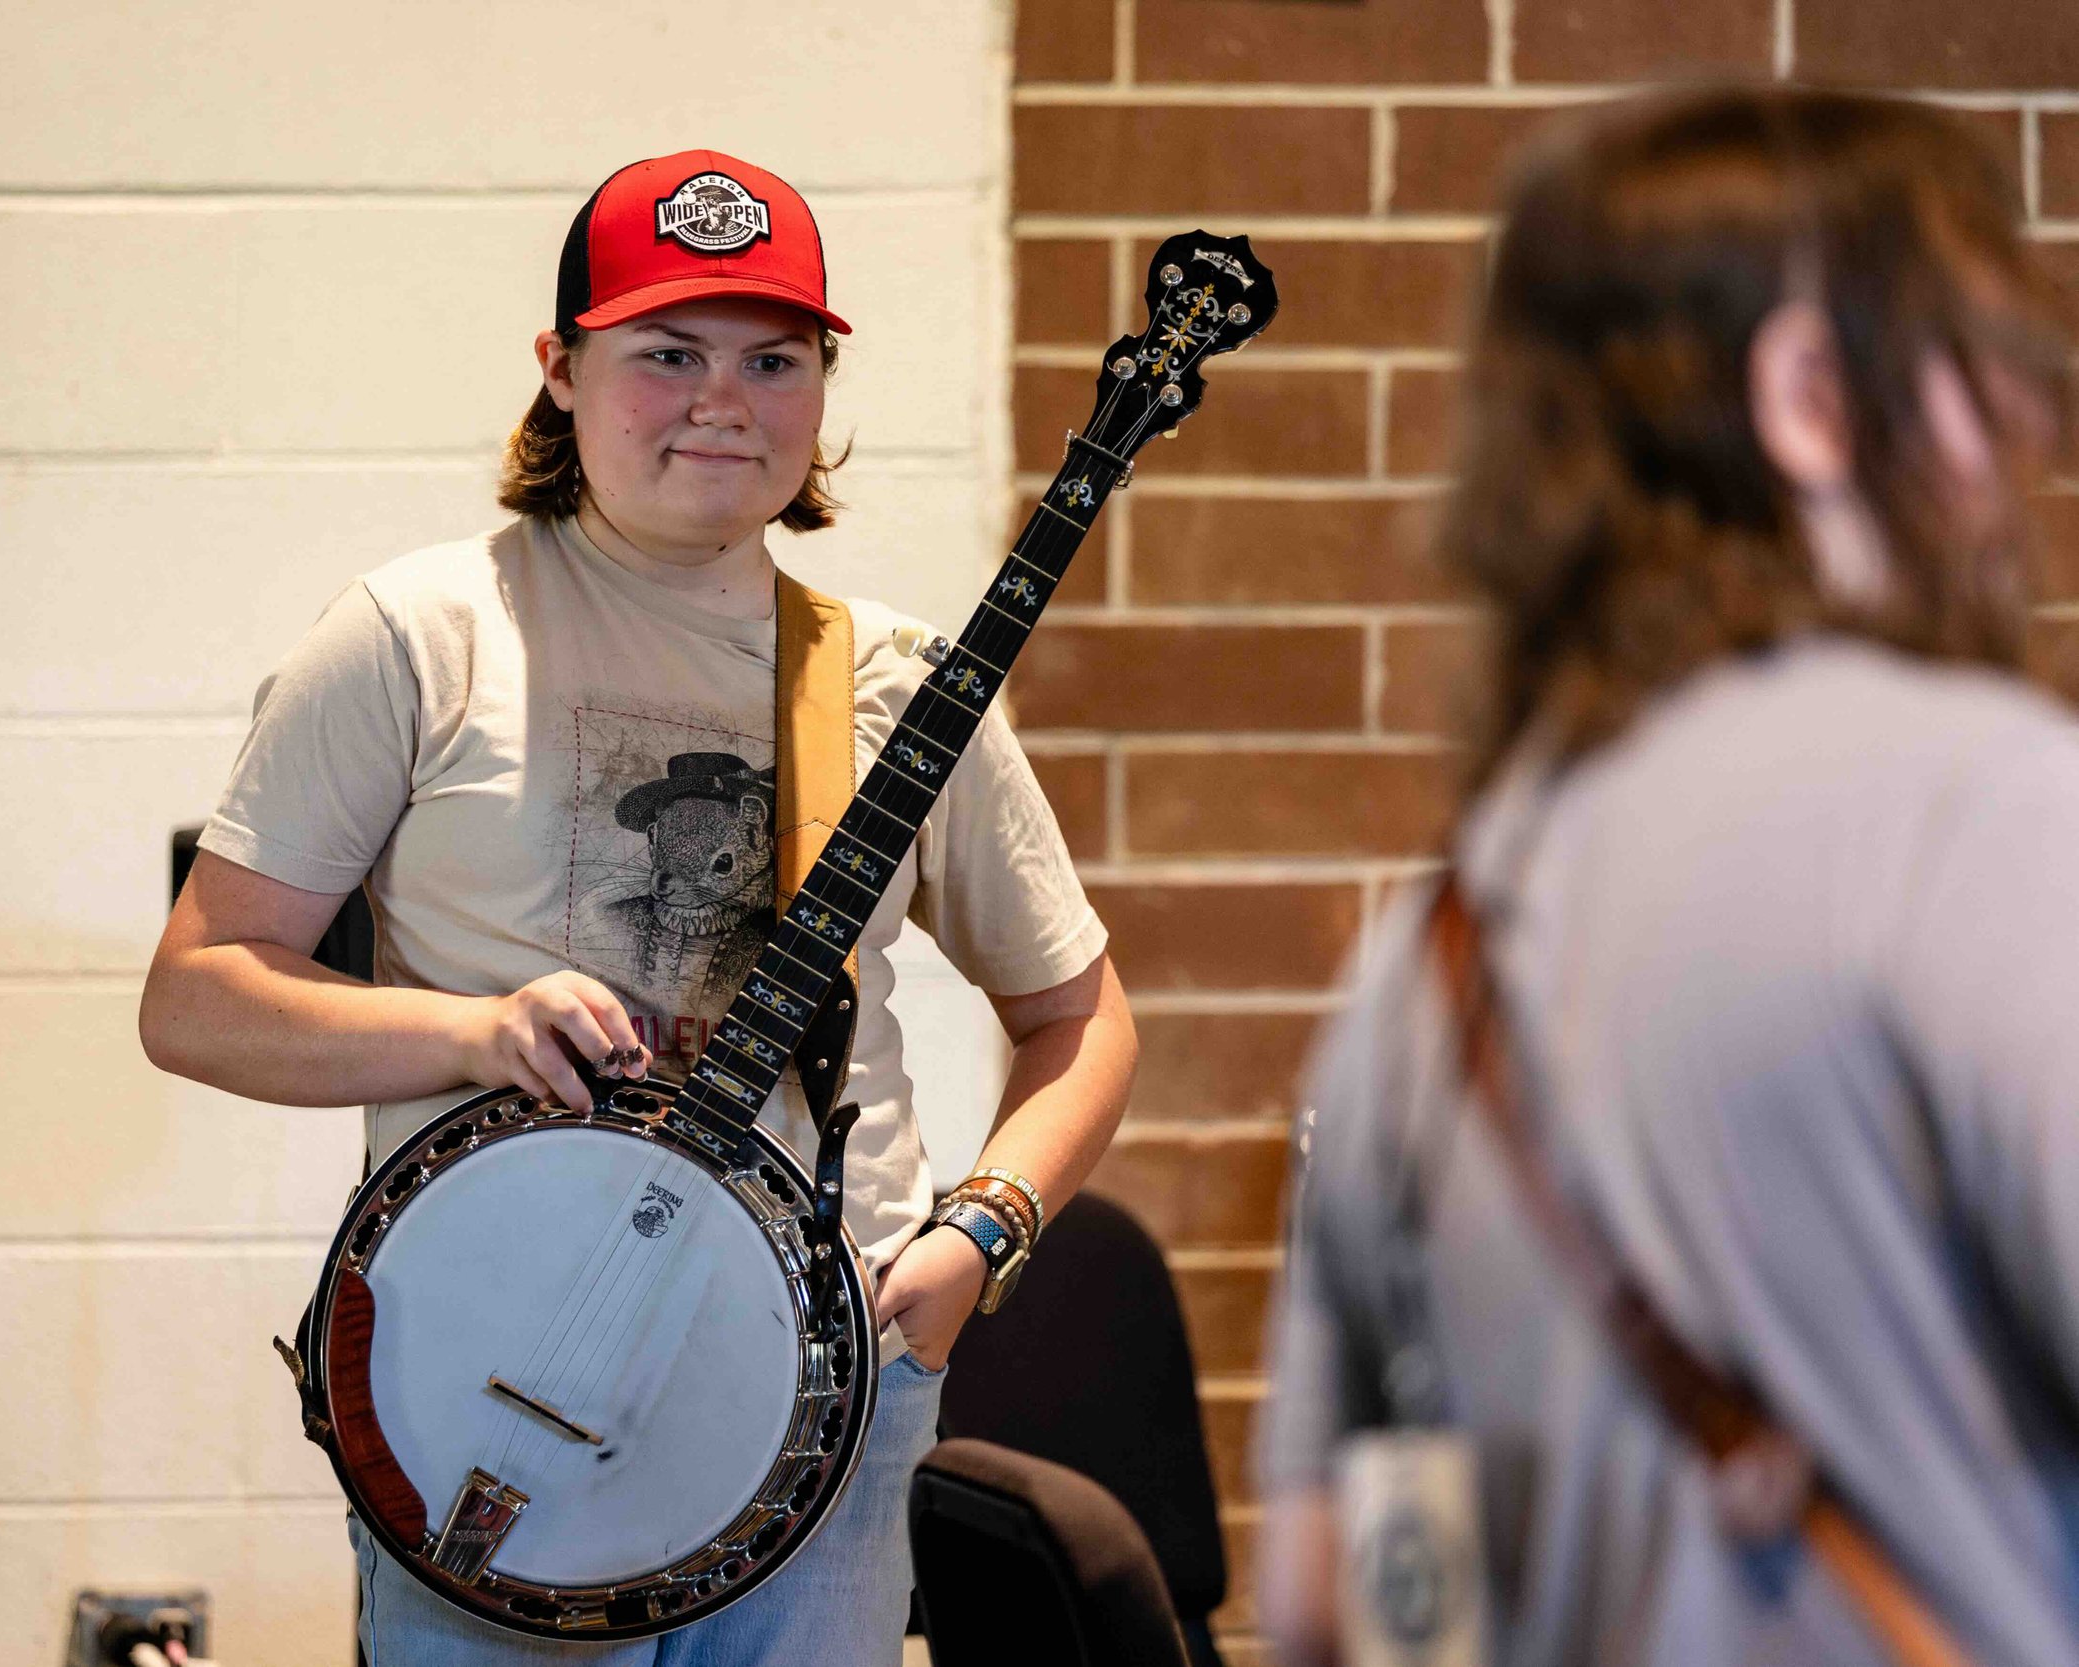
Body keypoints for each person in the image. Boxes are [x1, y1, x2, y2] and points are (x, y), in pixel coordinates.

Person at [140, 149, 1136, 1666]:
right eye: (665, 353)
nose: (722, 401)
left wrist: (978, 1239)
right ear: (561, 371)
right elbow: (199, 994)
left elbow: (1079, 1019)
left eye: (772, 359)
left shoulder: (889, 681)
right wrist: (475, 1032)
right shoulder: (422, 635)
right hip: (491, 1384)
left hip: (824, 1402)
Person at [1256, 87, 2079, 1666]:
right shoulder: (1985, 809)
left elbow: (1336, 1603)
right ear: (1811, 396)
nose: (2026, 436)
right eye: (1982, 367)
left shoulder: (1433, 957)